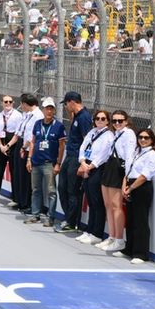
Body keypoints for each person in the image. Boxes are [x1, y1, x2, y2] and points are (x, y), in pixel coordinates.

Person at [97, 110, 136, 253]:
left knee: (116, 205)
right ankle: (112, 236)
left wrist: (127, 178)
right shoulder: (116, 134)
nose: (117, 124)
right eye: (114, 121)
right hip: (110, 165)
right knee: (108, 204)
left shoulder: (128, 134)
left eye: (120, 121)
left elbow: (129, 156)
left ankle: (119, 239)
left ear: (126, 121)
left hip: (119, 168)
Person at [120, 128, 155, 264]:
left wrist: (130, 188)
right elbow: (128, 170)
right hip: (130, 185)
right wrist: (124, 186)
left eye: (146, 138)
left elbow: (144, 176)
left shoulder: (152, 155)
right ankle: (129, 249)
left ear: (152, 140)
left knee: (140, 221)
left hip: (141, 188)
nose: (142, 140)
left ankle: (141, 253)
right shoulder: (137, 152)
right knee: (130, 219)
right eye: (140, 137)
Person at [24, 97, 65, 224]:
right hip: (36, 162)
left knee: (51, 191)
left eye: (51, 109)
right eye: (47, 108)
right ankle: (35, 214)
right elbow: (33, 142)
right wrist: (29, 159)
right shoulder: (38, 123)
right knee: (36, 190)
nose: (49, 111)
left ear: (54, 111)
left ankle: (50, 217)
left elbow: (62, 147)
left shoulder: (58, 126)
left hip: (49, 163)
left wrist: (58, 163)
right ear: (43, 110)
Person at [75, 109, 113, 245]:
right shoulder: (92, 133)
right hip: (87, 164)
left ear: (108, 121)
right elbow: (83, 147)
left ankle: (97, 233)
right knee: (90, 200)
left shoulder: (108, 136)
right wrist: (82, 162)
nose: (100, 121)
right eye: (97, 118)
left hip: (97, 168)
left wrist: (90, 167)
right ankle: (89, 230)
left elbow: (103, 154)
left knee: (97, 201)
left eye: (103, 119)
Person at [58, 91, 92, 231]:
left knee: (72, 190)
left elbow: (88, 141)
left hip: (77, 158)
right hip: (70, 155)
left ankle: (72, 222)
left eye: (66, 104)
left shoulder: (84, 117)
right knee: (62, 187)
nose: (66, 107)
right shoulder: (77, 116)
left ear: (72, 102)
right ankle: (68, 217)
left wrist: (83, 163)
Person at [10, 94, 41, 213]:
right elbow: (20, 131)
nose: (21, 106)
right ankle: (20, 200)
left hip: (29, 147)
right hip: (22, 144)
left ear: (26, 104)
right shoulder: (26, 115)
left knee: (27, 177)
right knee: (19, 174)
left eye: (22, 103)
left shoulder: (37, 116)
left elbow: (32, 135)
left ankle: (27, 203)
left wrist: (25, 147)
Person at [0, 95, 22, 205]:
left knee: (14, 170)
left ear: (13, 103)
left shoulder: (18, 115)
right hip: (1, 143)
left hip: (12, 143)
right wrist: (1, 146)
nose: (8, 103)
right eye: (5, 102)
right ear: (2, 103)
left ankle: (15, 198)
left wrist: (8, 146)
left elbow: (17, 133)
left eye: (10, 102)